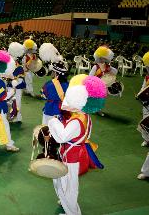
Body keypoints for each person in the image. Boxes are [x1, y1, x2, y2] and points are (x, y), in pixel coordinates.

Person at [47, 74, 107, 215]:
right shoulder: (84, 116)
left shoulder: (76, 121)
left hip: (71, 156)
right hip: (74, 153)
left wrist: (53, 121)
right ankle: (65, 203)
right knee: (64, 182)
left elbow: (62, 136)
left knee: (69, 186)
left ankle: (73, 212)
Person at [89, 46, 118, 116]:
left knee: (101, 99)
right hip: (95, 85)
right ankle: (92, 108)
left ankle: (98, 110)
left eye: (104, 59)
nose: (102, 61)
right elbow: (90, 76)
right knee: (94, 98)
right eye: (101, 59)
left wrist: (109, 69)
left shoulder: (109, 67)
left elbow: (115, 72)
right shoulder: (95, 67)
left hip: (104, 86)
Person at [7, 42, 26, 123]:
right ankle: (11, 116)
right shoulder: (9, 66)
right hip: (9, 87)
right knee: (9, 102)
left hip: (17, 88)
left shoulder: (19, 68)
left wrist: (14, 83)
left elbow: (21, 79)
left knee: (17, 102)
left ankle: (17, 117)